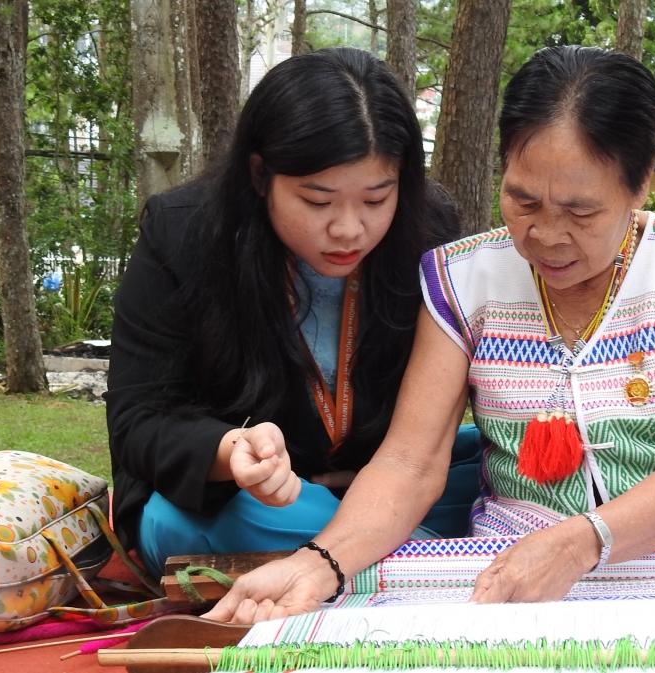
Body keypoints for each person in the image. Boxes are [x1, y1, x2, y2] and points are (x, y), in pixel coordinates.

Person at [203, 45, 655, 624]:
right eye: (523, 200)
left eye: (581, 212)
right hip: (511, 565)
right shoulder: (462, 279)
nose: (546, 235)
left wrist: (582, 542)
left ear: (640, 184)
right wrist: (316, 564)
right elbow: (409, 463)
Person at [105, 48, 479, 577]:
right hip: (248, 498)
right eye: (318, 201)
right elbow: (136, 422)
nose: (349, 229)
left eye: (376, 200)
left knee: (502, 466)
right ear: (260, 175)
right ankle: (429, 561)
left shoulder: (428, 232)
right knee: (194, 517)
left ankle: (378, 541)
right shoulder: (183, 234)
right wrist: (232, 451)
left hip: (381, 478)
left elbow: (425, 447)